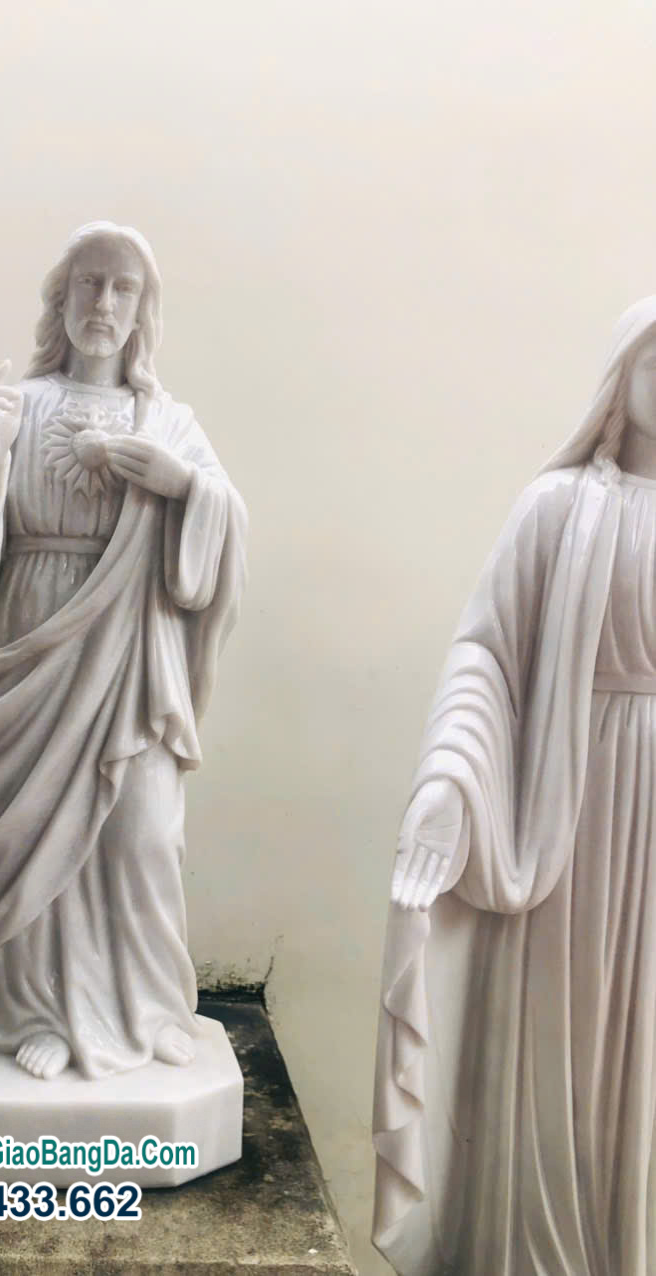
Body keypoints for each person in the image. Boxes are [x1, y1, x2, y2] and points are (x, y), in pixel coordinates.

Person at [374, 296, 656, 1276]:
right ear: (618, 378)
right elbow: (485, 655)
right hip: (564, 813)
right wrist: (448, 781)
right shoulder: (558, 509)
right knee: (555, 1044)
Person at [0, 222, 247, 1082]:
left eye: (122, 287)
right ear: (62, 298)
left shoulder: (169, 422)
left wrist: (184, 488)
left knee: (141, 834)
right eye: (88, 283)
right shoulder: (22, 404)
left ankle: (147, 1007)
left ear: (143, 310)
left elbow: (222, 539)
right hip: (33, 647)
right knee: (35, 831)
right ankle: (35, 1011)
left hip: (132, 657)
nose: (104, 303)